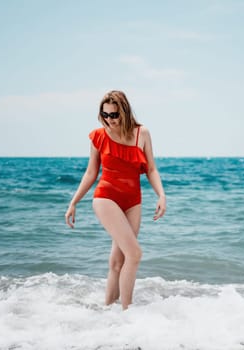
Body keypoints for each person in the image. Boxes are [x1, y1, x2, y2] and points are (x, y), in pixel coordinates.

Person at [65, 90, 166, 310]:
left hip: (133, 201)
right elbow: (91, 173)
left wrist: (161, 194)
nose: (110, 120)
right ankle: (127, 313)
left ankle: (108, 311)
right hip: (106, 197)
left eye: (114, 115)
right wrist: (74, 202)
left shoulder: (142, 134)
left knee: (118, 261)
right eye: (106, 115)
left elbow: (151, 169)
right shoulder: (98, 136)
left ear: (125, 112)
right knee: (135, 254)